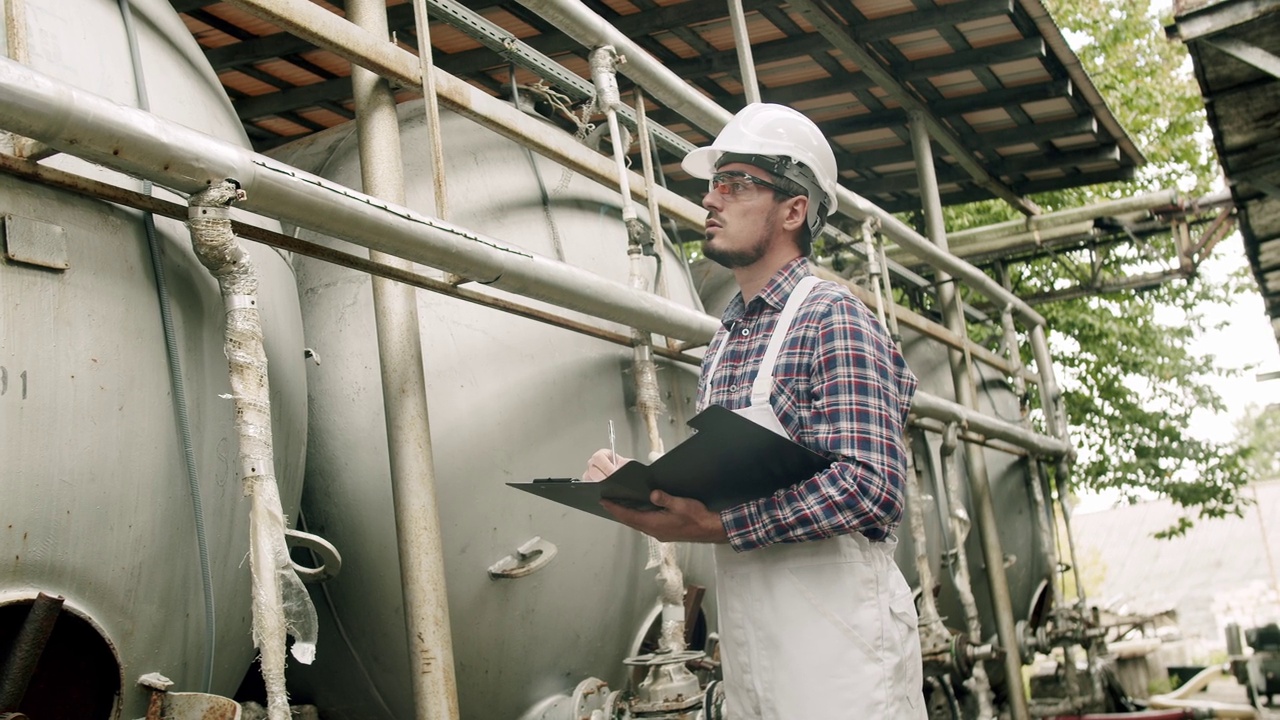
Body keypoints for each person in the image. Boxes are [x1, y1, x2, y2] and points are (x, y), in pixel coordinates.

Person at [582, 103, 926, 718]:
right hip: (751, 665)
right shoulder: (726, 341)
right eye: (713, 184)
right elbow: (728, 482)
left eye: (736, 184)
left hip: (843, 669)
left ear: (794, 210)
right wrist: (649, 492)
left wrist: (715, 526)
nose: (711, 200)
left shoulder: (834, 317)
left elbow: (871, 487)